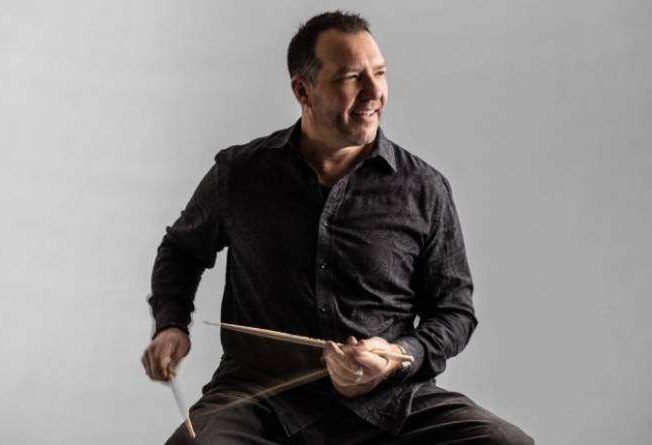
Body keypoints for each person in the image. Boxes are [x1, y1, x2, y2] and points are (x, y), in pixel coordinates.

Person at [141, 10, 534, 445]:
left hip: (389, 402)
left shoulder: (424, 188)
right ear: (302, 90)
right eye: (350, 77)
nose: (374, 92)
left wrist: (397, 355)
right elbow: (181, 251)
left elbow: (454, 311)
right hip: (260, 399)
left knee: (506, 443)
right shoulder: (240, 173)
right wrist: (171, 324)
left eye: (379, 73)